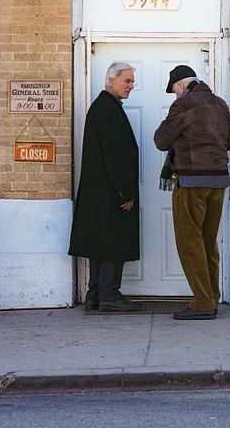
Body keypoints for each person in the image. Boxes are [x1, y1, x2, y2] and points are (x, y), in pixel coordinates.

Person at [153, 65, 230, 321]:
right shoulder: (220, 104)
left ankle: (201, 303)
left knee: (189, 241)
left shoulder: (185, 105)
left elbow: (161, 140)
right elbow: (228, 142)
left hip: (191, 181)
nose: (175, 96)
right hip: (219, 181)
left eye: (174, 91)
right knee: (208, 241)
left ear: (180, 85)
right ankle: (210, 297)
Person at [68, 63, 141, 312]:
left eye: (132, 81)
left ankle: (95, 295)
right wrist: (125, 192)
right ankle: (109, 294)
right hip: (111, 192)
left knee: (100, 243)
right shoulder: (108, 109)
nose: (132, 86)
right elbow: (115, 155)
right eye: (127, 81)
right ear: (111, 80)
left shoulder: (102, 107)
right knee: (112, 243)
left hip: (99, 192)